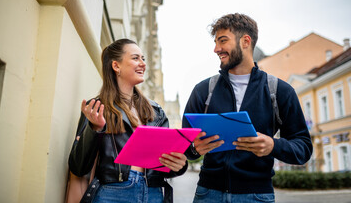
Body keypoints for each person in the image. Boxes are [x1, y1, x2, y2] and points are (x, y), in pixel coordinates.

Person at [182, 13, 313, 203]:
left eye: (223, 41)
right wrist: (195, 149)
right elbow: (184, 145)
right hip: (208, 194)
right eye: (216, 42)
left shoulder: (279, 91)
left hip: (257, 196)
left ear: (245, 41)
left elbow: (303, 148)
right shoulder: (204, 90)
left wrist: (273, 145)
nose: (216, 49)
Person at [69, 38, 188, 203]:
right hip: (113, 193)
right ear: (116, 65)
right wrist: (95, 129)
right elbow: (78, 167)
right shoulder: (97, 107)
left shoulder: (157, 112)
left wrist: (179, 166)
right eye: (135, 58)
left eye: (143, 59)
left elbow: (165, 164)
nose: (142, 64)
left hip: (153, 193)